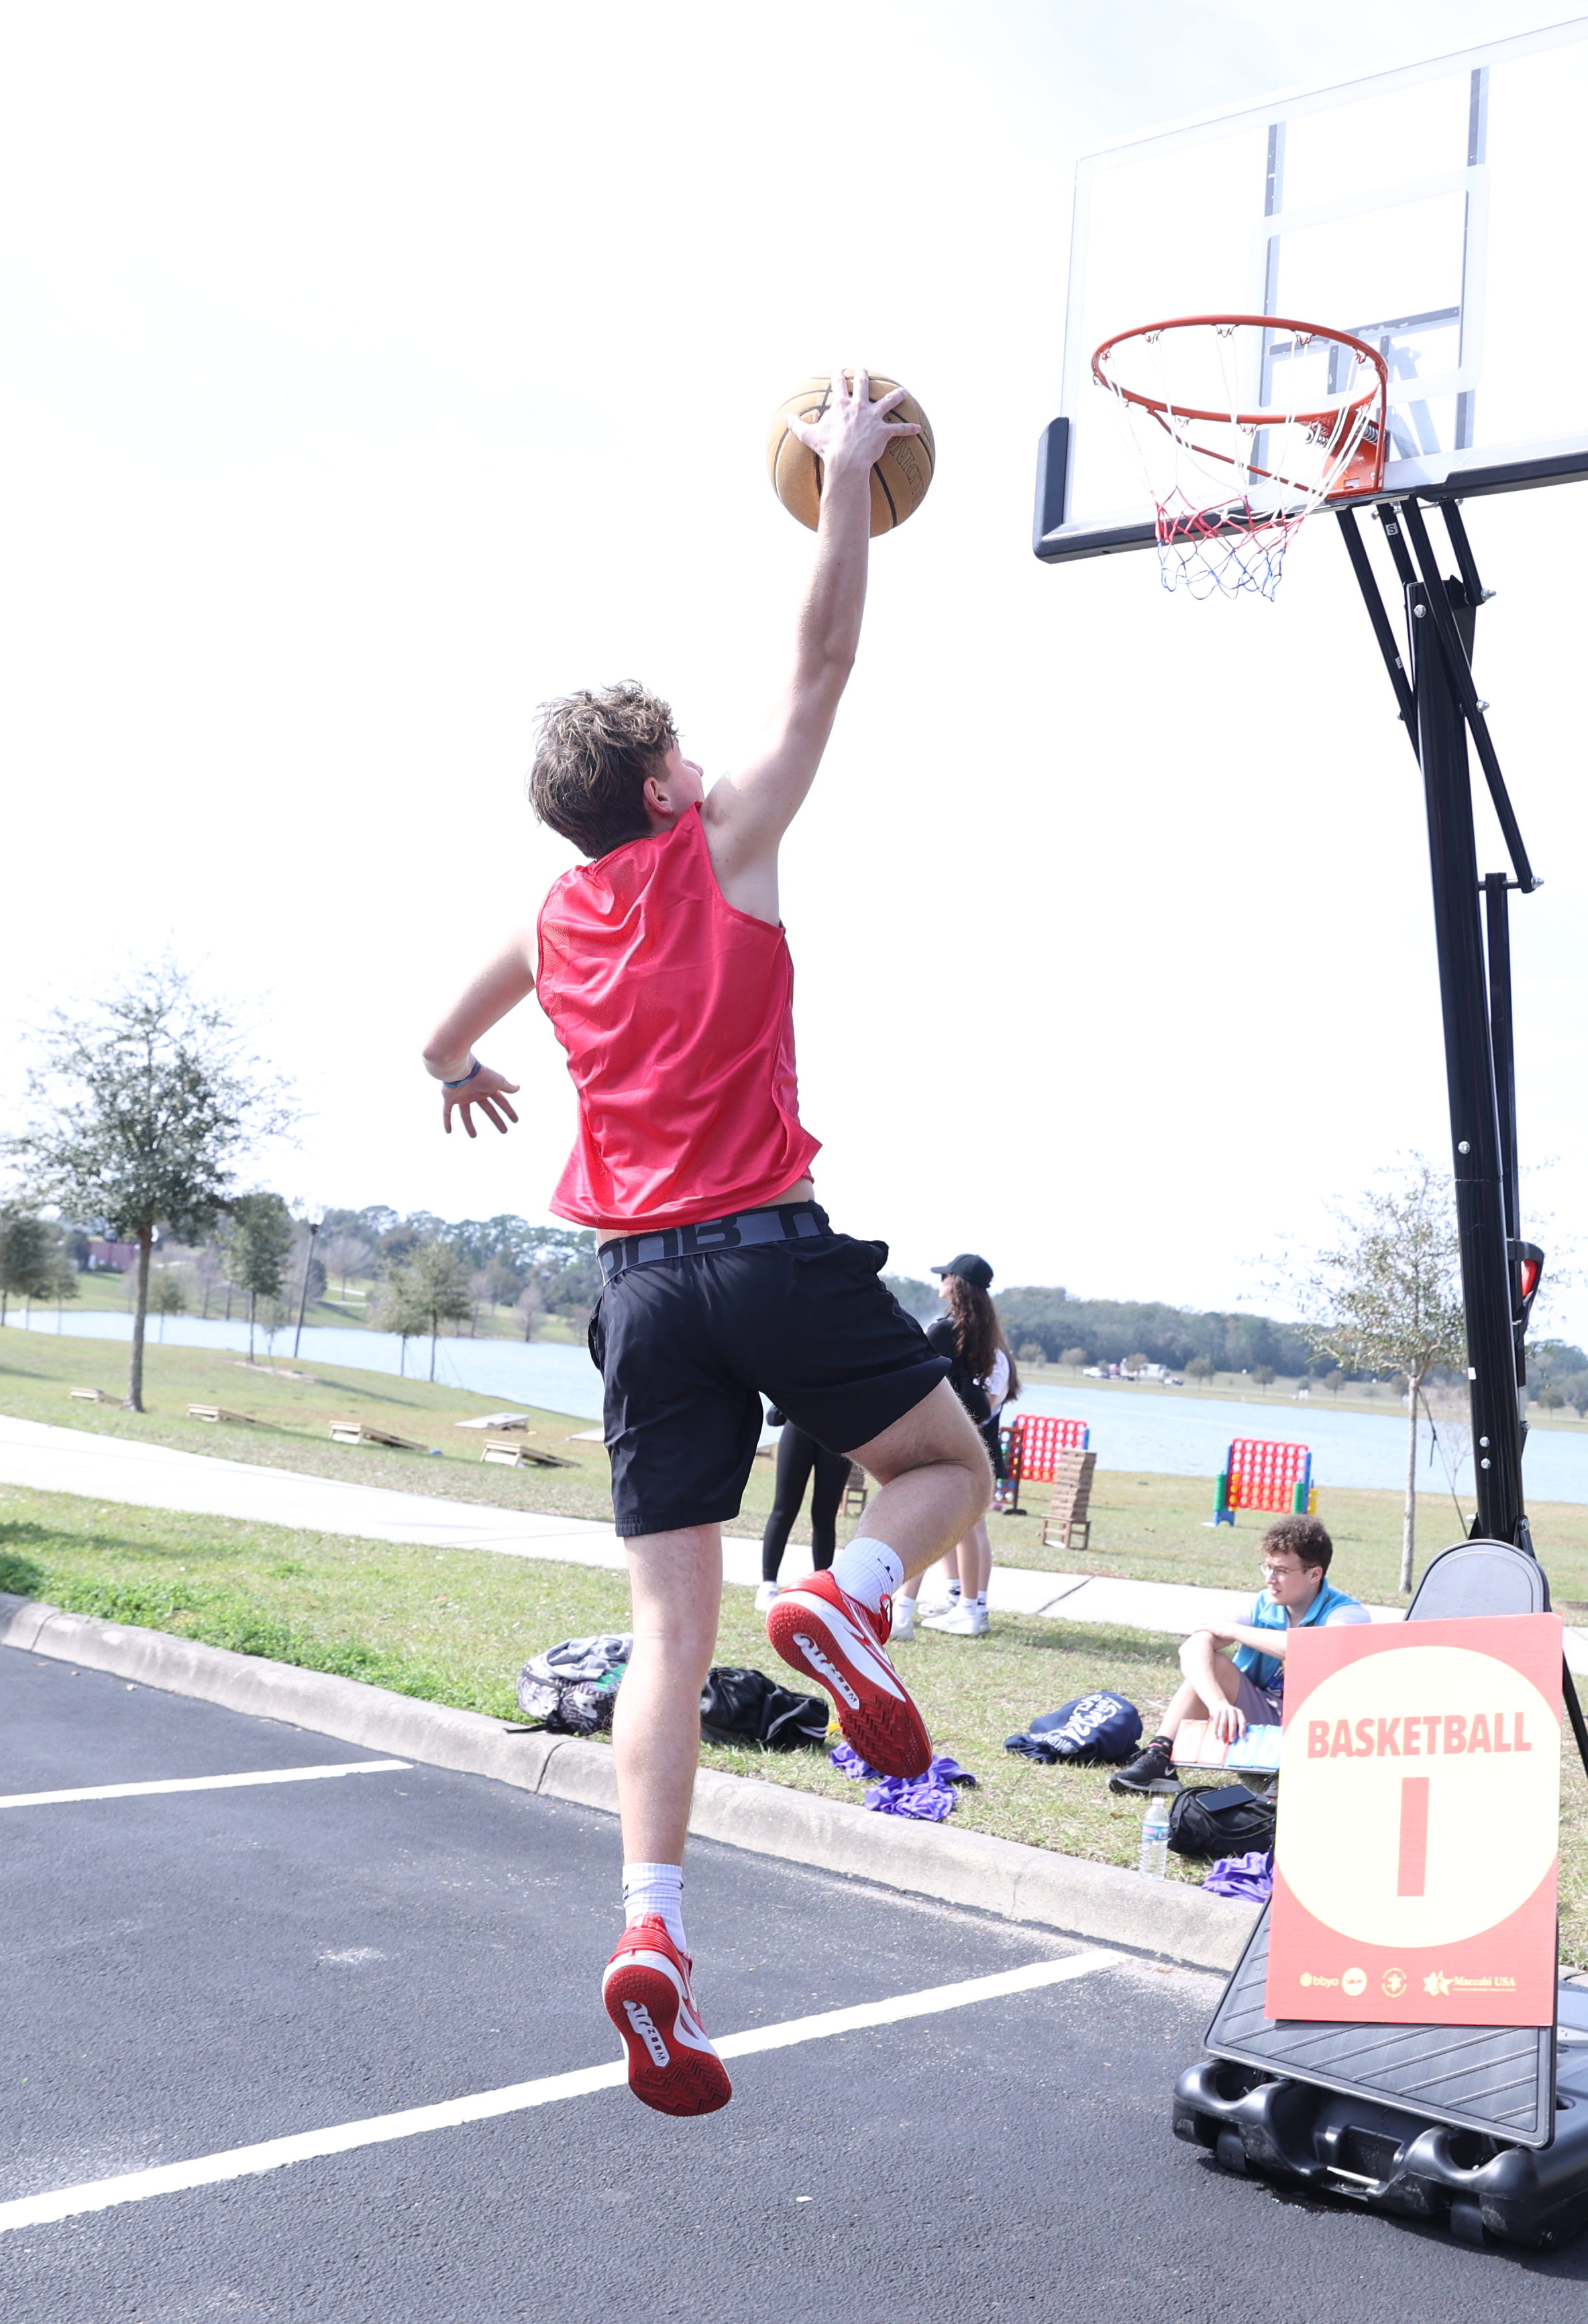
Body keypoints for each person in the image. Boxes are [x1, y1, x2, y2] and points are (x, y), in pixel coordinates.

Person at [412, 371, 985, 2121]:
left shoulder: (557, 908)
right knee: (946, 1459)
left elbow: (441, 1026)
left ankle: (652, 1926)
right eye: (677, 749)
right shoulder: (725, 846)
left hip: (638, 1292)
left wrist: (458, 1069)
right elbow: (823, 668)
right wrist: (849, 483)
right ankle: (852, 1596)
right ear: (664, 781)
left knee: (668, 1632)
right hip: (763, 1247)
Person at [1108, 1514, 1371, 1796]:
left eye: (1281, 1570)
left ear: (1315, 1574)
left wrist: (1236, 1632)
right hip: (1262, 1714)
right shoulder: (1261, 1603)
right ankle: (1160, 1760)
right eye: (1267, 1567)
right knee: (1212, 1663)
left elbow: (1313, 1650)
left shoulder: (1348, 1613)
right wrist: (1218, 1703)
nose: (1270, 1579)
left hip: (1316, 1726)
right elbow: (1192, 1647)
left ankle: (1292, 1773)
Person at [912, 1254, 1018, 1637]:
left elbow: (983, 1412)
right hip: (963, 1449)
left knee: (970, 1529)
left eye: (946, 1276)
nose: (939, 1281)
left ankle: (975, 1608)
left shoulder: (990, 1352)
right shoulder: (969, 1339)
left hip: (976, 1452)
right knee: (956, 1529)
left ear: (957, 1284)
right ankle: (960, 1597)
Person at [754, 1408, 853, 1615]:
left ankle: (823, 1591)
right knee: (783, 1510)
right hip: (799, 1424)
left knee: (825, 1516)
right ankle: (768, 1584)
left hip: (838, 1430)